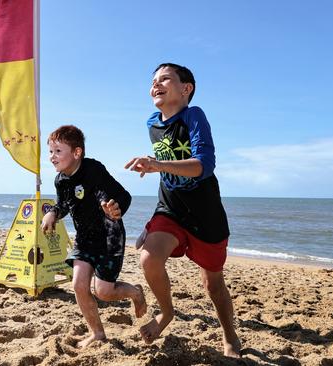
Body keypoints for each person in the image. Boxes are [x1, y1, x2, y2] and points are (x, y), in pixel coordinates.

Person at [125, 63, 241, 357]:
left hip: (206, 213)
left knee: (213, 284)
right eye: (153, 81)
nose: (155, 84)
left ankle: (229, 335)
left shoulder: (193, 116)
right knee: (149, 258)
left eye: (165, 79)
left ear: (186, 88)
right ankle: (167, 312)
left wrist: (157, 164)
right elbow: (166, 175)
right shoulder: (152, 122)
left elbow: (203, 166)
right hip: (171, 208)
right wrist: (153, 219)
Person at [41, 125, 146, 349]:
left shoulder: (93, 169)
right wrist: (53, 213)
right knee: (79, 285)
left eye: (58, 151)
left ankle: (135, 292)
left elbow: (123, 195)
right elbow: (64, 204)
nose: (52, 157)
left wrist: (117, 209)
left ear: (77, 152)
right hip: (84, 238)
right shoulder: (61, 180)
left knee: (104, 292)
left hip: (110, 237)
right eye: (50, 151)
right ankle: (97, 333)